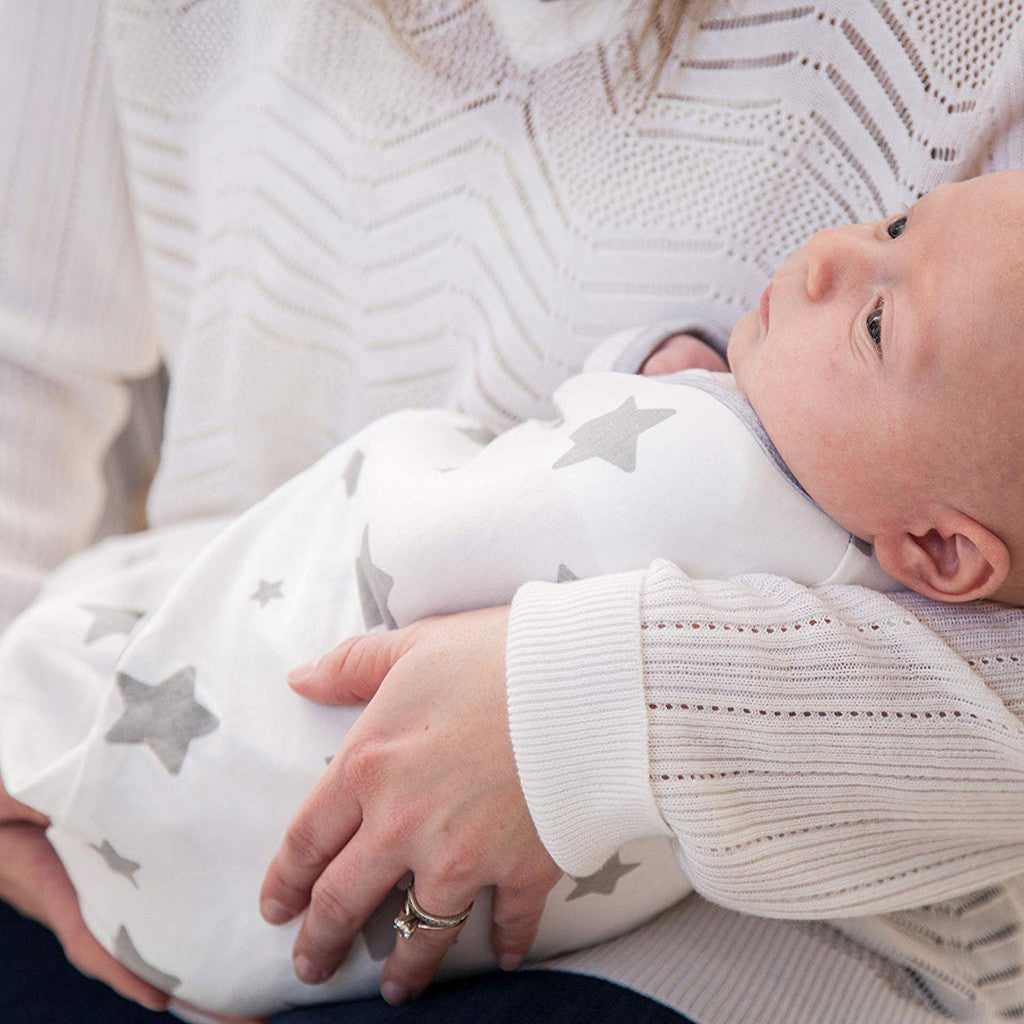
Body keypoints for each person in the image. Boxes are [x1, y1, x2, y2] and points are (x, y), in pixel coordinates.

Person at [1, 2, 1022, 1023]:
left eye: (880, 319)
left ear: (936, 547)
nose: (829, 255)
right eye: (894, 219)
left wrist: (583, 710)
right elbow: (24, 364)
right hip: (198, 703)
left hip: (736, 941)